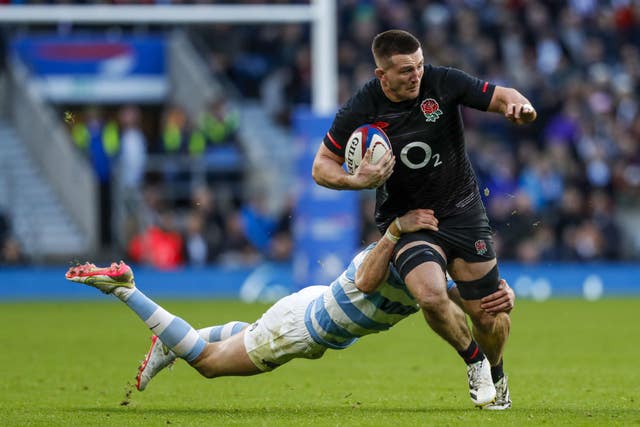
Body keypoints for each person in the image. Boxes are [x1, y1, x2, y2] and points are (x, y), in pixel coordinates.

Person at [65, 209, 514, 408]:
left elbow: (449, 292)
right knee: (209, 365)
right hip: (300, 328)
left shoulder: (423, 268)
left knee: (245, 334)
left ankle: (173, 343)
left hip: (309, 308)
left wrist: (492, 295)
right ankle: (127, 290)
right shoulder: (393, 253)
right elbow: (372, 279)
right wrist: (396, 229)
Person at [312, 29, 537, 410]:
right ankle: (474, 361)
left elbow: (503, 96)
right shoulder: (362, 107)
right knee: (431, 295)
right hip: (410, 218)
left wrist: (520, 106)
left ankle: (496, 370)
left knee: (490, 313)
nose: (416, 75)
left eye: (418, 65)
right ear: (381, 75)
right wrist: (355, 180)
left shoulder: (443, 81)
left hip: (463, 210)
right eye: (404, 71)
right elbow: (321, 167)